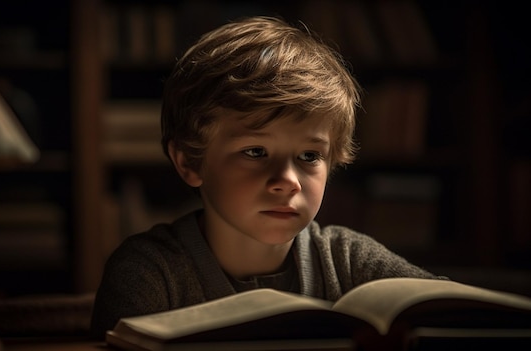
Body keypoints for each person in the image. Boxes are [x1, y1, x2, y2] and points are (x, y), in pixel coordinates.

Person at [90, 16, 444, 338]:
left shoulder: (348, 259)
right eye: (256, 152)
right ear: (189, 163)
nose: (288, 180)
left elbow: (455, 311)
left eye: (309, 156)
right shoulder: (148, 273)